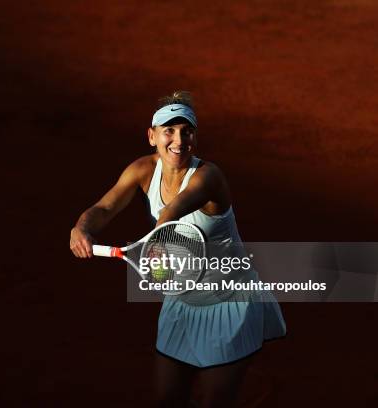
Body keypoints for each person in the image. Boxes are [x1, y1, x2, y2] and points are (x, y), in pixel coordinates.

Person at [69, 91, 286, 407]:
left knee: (215, 401)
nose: (178, 139)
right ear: (152, 136)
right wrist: (82, 228)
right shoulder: (142, 170)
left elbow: (172, 212)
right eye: (169, 130)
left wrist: (155, 248)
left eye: (186, 130)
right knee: (169, 399)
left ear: (194, 137)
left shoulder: (209, 176)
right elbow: (104, 207)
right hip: (181, 302)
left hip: (230, 303)